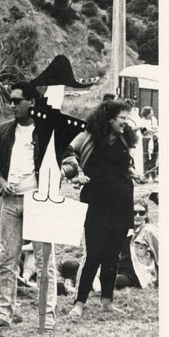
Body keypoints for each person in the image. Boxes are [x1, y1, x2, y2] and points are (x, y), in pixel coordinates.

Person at [0, 81, 57, 331]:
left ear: (31, 103)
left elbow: (68, 159)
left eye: (17, 101)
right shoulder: (4, 131)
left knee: (45, 261)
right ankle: (4, 314)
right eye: (10, 101)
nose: (12, 105)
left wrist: (60, 175)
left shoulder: (47, 131)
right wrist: (1, 181)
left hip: (37, 200)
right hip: (11, 201)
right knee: (6, 258)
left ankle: (47, 316)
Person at [61, 100, 142, 317]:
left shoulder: (125, 139)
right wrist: (76, 172)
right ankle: (79, 302)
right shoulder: (88, 136)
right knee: (93, 254)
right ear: (109, 118)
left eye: (127, 117)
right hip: (96, 203)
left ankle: (107, 301)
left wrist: (133, 172)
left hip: (121, 203)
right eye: (122, 118)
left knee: (113, 255)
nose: (126, 122)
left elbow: (127, 163)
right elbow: (68, 152)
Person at [115, 198, 159, 290]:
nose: (137, 216)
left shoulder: (149, 230)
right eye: (134, 213)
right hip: (119, 270)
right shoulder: (124, 230)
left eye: (141, 213)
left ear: (146, 214)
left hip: (137, 275)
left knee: (110, 281)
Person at [138, 106, 159, 181]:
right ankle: (146, 175)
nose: (152, 114)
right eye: (151, 113)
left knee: (155, 156)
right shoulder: (142, 121)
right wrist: (150, 130)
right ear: (147, 114)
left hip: (154, 138)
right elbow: (144, 133)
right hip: (146, 140)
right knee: (146, 157)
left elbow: (156, 129)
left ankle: (154, 175)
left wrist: (151, 130)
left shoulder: (154, 119)